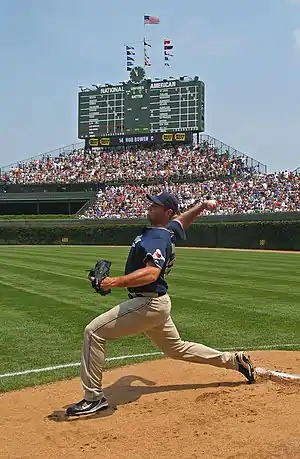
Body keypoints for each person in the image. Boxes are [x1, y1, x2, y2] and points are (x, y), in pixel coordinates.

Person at [66, 192, 255, 416]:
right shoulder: (167, 231)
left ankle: (93, 398)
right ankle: (235, 361)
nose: (150, 206)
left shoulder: (156, 237)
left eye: (156, 205)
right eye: (151, 203)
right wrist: (202, 205)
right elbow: (182, 220)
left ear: (166, 212)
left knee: (93, 332)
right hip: (156, 304)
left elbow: (151, 273)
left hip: (147, 303)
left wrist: (111, 282)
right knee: (177, 348)